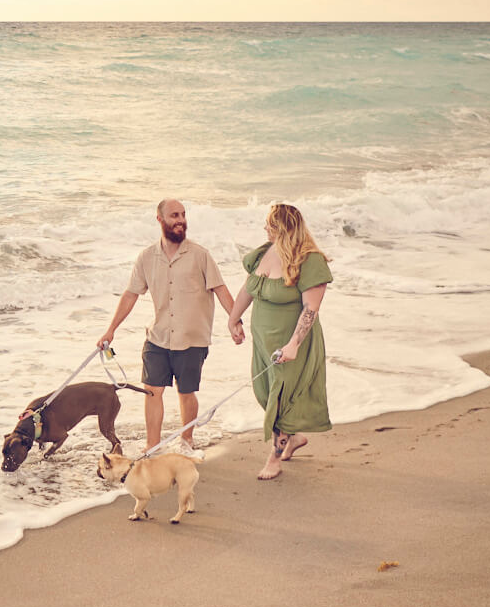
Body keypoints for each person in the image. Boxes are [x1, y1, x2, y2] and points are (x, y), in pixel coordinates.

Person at [97, 198, 239, 457]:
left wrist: (235, 321)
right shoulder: (147, 257)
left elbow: (220, 289)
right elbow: (131, 295)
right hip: (158, 337)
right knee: (152, 391)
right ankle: (152, 446)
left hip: (191, 338)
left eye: (183, 215)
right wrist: (111, 330)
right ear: (160, 219)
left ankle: (186, 440)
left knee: (186, 393)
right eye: (174, 215)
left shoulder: (200, 255)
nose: (181, 220)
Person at [227, 202, 332, 480]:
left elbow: (311, 309)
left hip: (290, 343)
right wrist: (233, 318)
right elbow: (249, 288)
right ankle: (293, 438)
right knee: (264, 392)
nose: (265, 228)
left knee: (281, 398)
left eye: (270, 225)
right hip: (263, 341)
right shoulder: (265, 252)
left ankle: (274, 457)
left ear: (283, 228)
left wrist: (294, 345)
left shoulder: (309, 260)